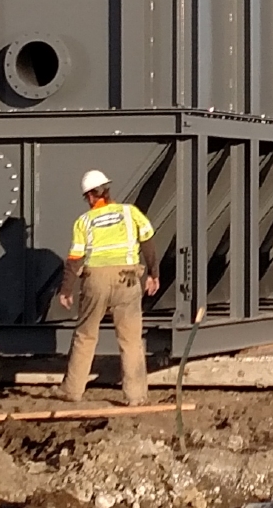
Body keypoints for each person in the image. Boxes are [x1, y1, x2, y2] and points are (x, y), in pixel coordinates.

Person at [55, 170, 160, 406]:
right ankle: (136, 396)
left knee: (85, 335)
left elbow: (75, 258)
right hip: (128, 278)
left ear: (90, 197)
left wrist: (66, 289)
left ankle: (72, 390)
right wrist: (154, 274)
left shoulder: (84, 222)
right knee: (131, 339)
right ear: (107, 191)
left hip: (96, 281)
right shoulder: (130, 212)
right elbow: (148, 242)